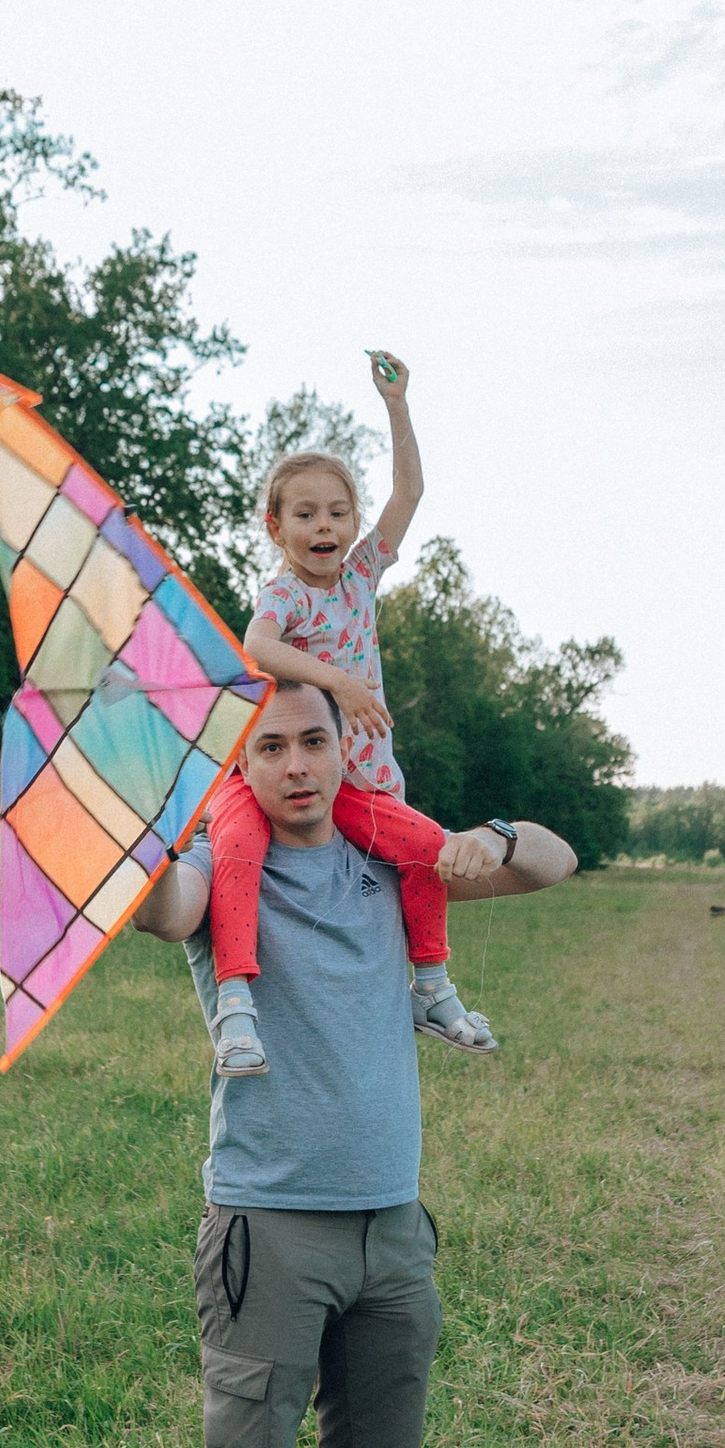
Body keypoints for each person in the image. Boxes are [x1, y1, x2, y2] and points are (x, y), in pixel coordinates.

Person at [133, 677, 576, 1448]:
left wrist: (491, 834)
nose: (293, 764)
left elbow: (552, 862)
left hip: (392, 1227)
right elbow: (163, 906)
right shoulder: (223, 877)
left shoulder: (387, 862)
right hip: (269, 1229)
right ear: (242, 764)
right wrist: (136, 847)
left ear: (345, 749)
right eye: (269, 746)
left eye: (312, 741)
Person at [201, 350, 494, 1081]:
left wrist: (397, 404)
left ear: (354, 523)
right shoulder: (287, 596)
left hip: (357, 781)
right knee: (232, 853)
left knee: (426, 848)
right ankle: (235, 1008)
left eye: (337, 513)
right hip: (271, 770)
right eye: (304, 515)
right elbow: (257, 646)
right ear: (276, 527)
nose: (322, 527)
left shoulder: (362, 572)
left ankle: (430, 989)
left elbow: (412, 490)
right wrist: (338, 681)